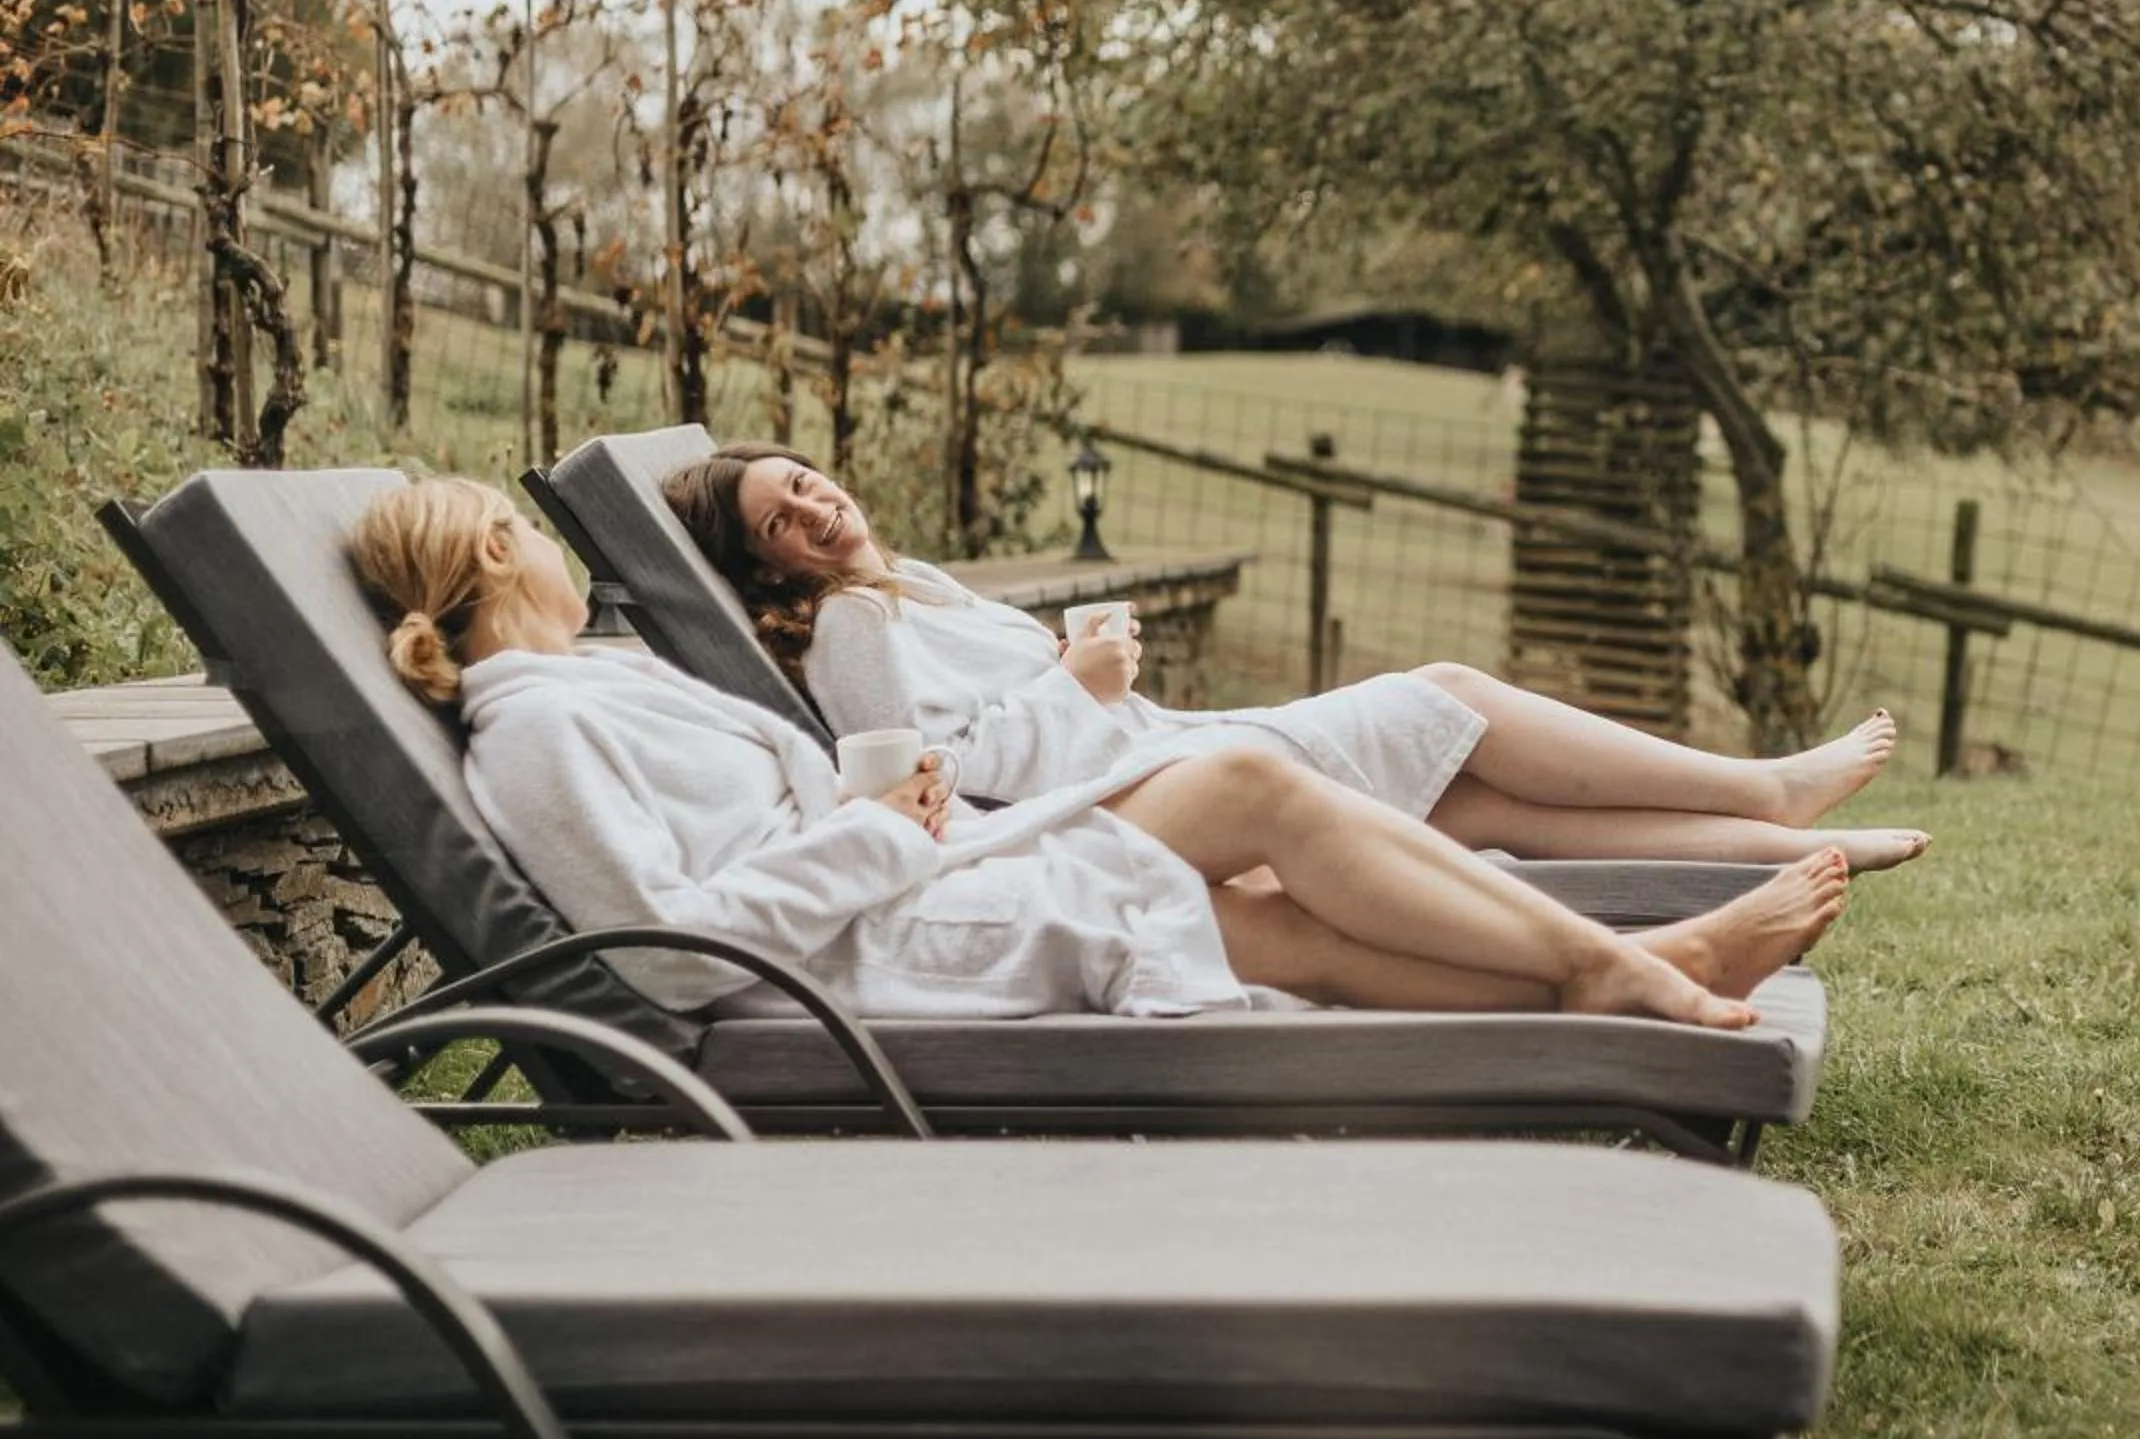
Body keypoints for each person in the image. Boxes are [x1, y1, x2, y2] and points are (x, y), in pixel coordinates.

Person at [350, 477, 1849, 1027]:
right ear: (496, 550)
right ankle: (1620, 968)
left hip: (906, 883)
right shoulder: (534, 733)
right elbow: (667, 959)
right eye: (530, 530)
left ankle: (1629, 978)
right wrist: (890, 833)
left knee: (1273, 924)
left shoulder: (586, 687)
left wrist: (894, 813)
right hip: (867, 953)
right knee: (1262, 803)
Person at [660, 441, 1932, 872]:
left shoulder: (904, 583)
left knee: (1486, 802)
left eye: (807, 479)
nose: (817, 508)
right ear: (768, 564)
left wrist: (1078, 656)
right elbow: (933, 775)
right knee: (1449, 695)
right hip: (1127, 792)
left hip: (1148, 746)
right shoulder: (844, 626)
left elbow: (1001, 696)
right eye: (782, 519)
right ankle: (1761, 789)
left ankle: (1785, 839)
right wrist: (1077, 680)